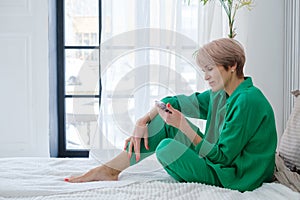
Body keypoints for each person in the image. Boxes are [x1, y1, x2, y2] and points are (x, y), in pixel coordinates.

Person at [65, 38, 277, 192]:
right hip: (219, 162)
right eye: (204, 70)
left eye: (210, 69)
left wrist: (184, 126)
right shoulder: (220, 94)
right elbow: (175, 103)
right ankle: (110, 170)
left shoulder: (248, 100)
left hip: (235, 175)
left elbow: (223, 157)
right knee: (164, 123)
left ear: (232, 66)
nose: (205, 76)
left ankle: (110, 170)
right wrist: (143, 120)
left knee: (167, 148)